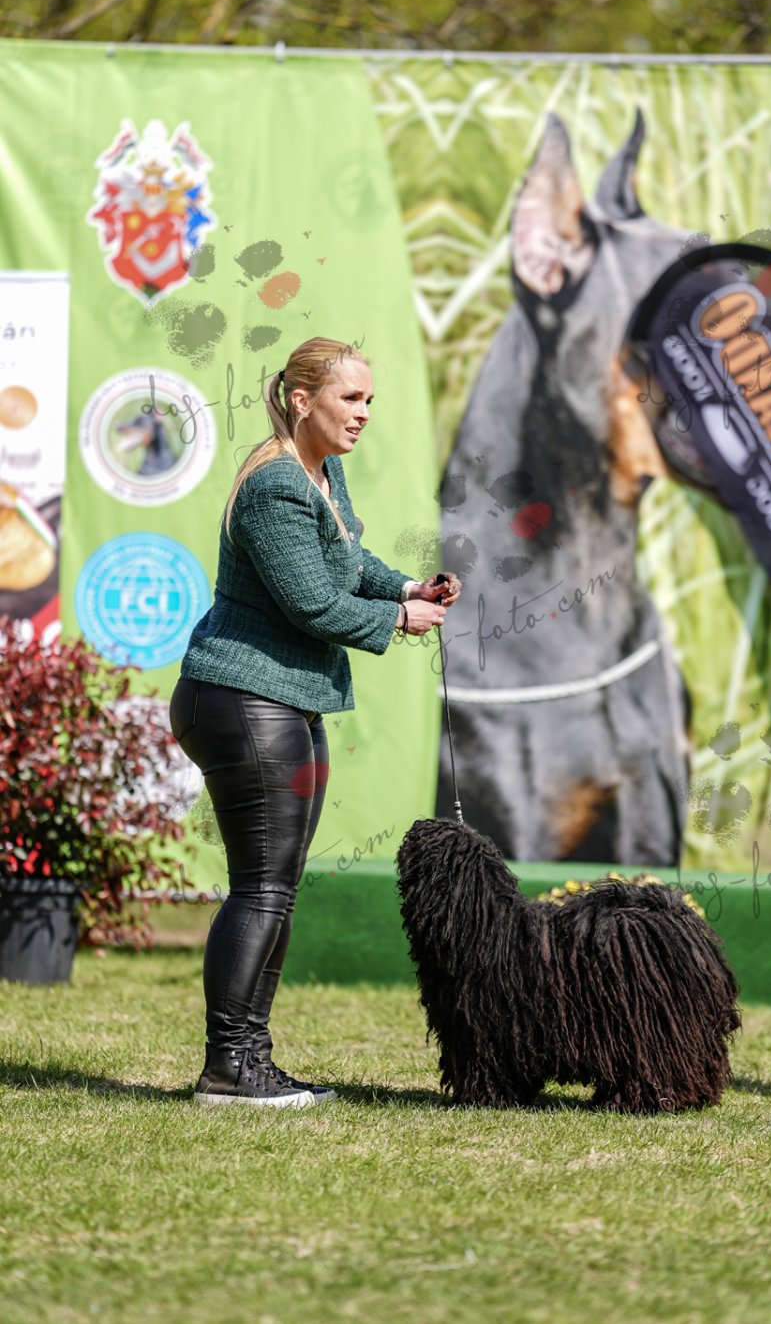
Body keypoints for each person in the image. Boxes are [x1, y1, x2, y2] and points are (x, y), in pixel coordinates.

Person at [168, 337, 461, 1108]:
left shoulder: (322, 471)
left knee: (275, 889)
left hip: (282, 700)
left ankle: (249, 1062)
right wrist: (398, 617)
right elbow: (313, 603)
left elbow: (347, 563)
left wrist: (406, 585)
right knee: (261, 889)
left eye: (369, 400)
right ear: (302, 400)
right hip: (241, 698)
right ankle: (230, 1067)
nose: (363, 413)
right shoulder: (275, 484)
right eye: (350, 398)